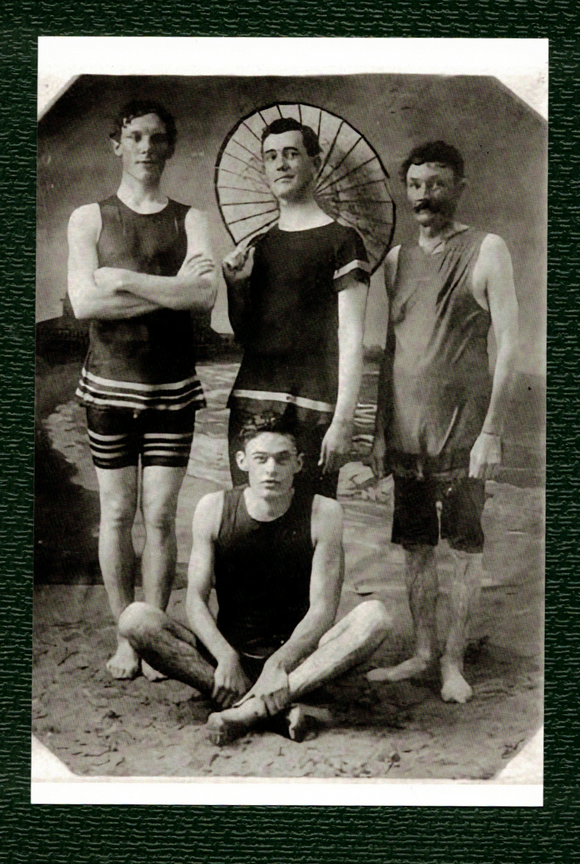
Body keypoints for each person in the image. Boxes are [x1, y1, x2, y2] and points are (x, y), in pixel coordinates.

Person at [118, 417, 391, 745]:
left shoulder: (325, 513)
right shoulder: (213, 508)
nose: (271, 469)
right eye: (261, 459)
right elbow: (195, 600)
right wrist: (225, 656)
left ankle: (247, 711)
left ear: (299, 464)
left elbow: (323, 610)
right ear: (242, 461)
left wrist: (280, 663)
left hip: (296, 660)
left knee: (376, 617)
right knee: (135, 619)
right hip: (227, 659)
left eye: (282, 458)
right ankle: (274, 707)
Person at [67, 99, 217, 680]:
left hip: (172, 388)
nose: (147, 149)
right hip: (108, 385)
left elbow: (204, 298)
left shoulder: (191, 218)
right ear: (117, 144)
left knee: (159, 517)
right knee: (117, 513)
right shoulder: (90, 217)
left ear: (170, 146)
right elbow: (85, 303)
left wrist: (125, 280)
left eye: (158, 138)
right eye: (135, 137)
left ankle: (151, 635)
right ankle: (125, 640)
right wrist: (171, 288)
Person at [367, 141, 519, 703]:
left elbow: (509, 347)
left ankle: (453, 662)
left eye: (436, 183)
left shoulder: (488, 248)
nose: (424, 196)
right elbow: (390, 350)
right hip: (407, 432)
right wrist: (381, 432)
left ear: (459, 185)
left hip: (464, 432)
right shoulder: (396, 260)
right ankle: (423, 652)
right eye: (414, 185)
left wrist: (492, 431)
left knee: (463, 547)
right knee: (415, 548)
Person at [223, 117, 371, 499]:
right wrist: (235, 285)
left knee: (311, 530)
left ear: (315, 163)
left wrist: (343, 420)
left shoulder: (343, 241)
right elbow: (246, 336)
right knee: (250, 527)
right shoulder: (257, 245)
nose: (281, 164)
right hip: (251, 404)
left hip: (313, 409)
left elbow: (351, 339)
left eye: (292, 154)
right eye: (271, 157)